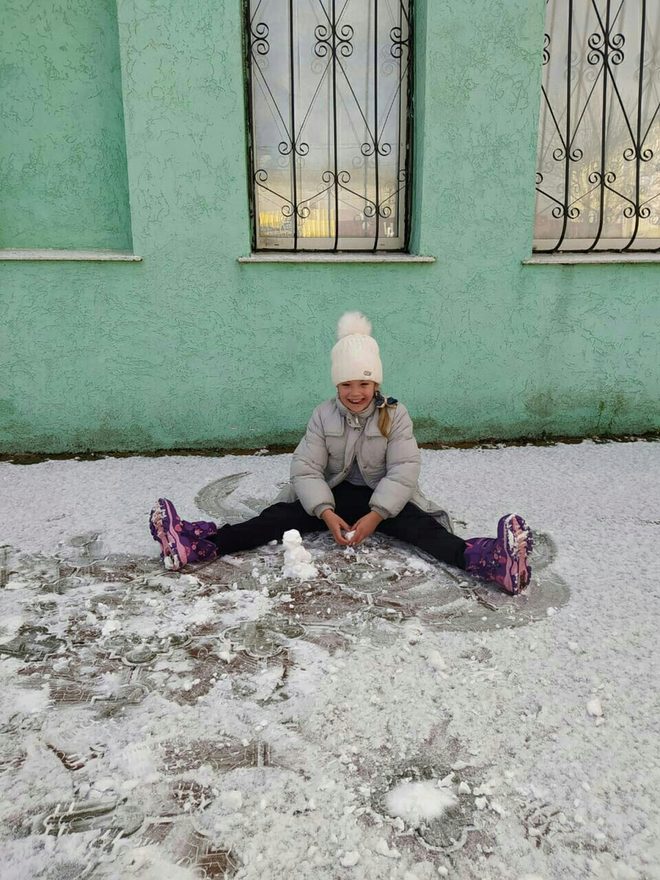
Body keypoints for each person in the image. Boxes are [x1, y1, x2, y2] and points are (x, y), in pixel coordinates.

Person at [149, 312, 533, 594]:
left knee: (422, 529)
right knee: (274, 518)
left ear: (376, 382)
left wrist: (375, 517)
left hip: (380, 500)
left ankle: (488, 561)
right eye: (346, 384)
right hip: (329, 496)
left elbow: (403, 469)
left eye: (363, 383)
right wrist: (326, 513)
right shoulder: (323, 415)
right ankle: (199, 544)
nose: (355, 393)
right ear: (336, 385)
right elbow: (305, 467)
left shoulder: (394, 415)